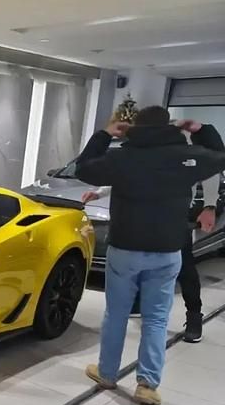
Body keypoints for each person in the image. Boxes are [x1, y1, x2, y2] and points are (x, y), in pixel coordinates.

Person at [74, 107, 225, 405]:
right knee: (156, 318)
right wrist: (201, 129)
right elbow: (221, 156)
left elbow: (84, 168)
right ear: (170, 127)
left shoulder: (122, 157)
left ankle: (106, 373)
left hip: (125, 249)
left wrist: (105, 134)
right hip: (167, 251)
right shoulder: (187, 159)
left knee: (116, 314)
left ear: (135, 129)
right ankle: (147, 385)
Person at [82, 124, 224, 342]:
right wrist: (99, 192)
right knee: (142, 264)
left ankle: (194, 315)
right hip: (146, 218)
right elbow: (126, 175)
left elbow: (212, 173)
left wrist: (209, 207)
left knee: (185, 267)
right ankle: (139, 303)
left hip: (175, 219)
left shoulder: (183, 153)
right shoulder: (145, 153)